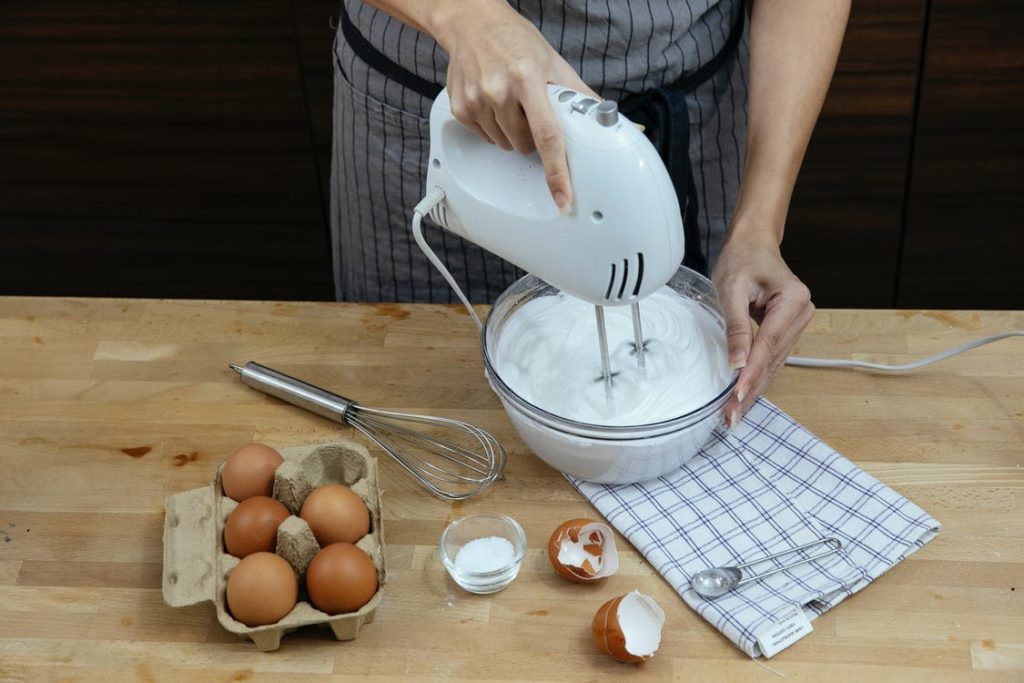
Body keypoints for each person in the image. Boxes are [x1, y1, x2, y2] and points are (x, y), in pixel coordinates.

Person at [330, 0, 850, 426]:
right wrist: (467, 17)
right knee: (418, 400)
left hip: (690, 109)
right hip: (443, 120)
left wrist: (758, 221)